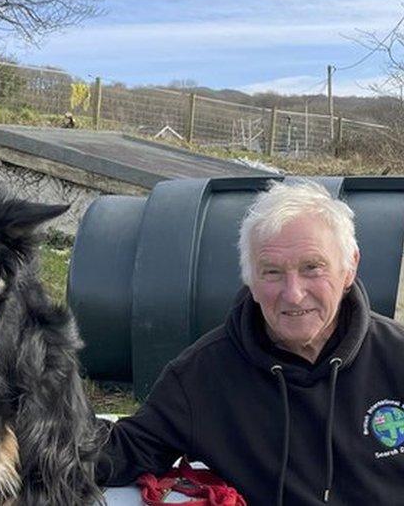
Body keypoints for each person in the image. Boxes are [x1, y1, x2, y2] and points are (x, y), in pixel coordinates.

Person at [96, 180, 404, 505]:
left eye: (312, 267)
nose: (293, 293)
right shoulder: (203, 375)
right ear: (250, 281)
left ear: (349, 267)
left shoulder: (396, 356)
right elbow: (122, 451)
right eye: (271, 272)